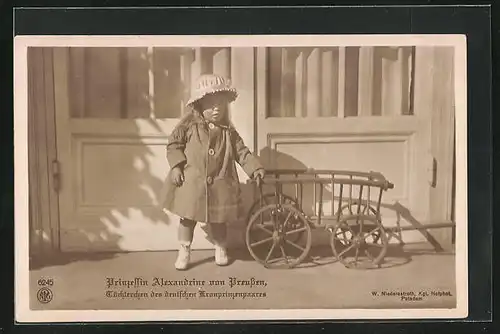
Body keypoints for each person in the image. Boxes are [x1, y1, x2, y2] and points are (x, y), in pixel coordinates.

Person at [162, 74, 265, 270]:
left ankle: (220, 248)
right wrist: (176, 166)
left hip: (220, 181)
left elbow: (242, 152)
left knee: (219, 220)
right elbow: (173, 145)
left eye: (220, 104)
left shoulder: (228, 131)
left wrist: (255, 168)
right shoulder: (188, 126)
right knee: (187, 218)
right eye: (211, 105)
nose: (216, 109)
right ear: (199, 105)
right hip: (192, 181)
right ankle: (184, 250)